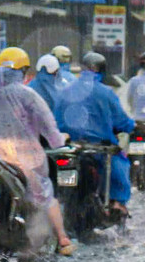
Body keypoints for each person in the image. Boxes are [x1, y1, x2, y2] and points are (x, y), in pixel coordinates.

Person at [0, 47, 76, 257]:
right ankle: (63, 239)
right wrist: (59, 141)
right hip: (24, 157)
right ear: (22, 71)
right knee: (45, 193)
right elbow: (47, 124)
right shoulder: (28, 94)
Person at [54, 51, 136, 217]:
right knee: (119, 167)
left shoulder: (65, 91)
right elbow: (121, 120)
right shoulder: (106, 93)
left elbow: (55, 120)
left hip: (70, 148)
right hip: (99, 148)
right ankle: (116, 203)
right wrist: (130, 126)